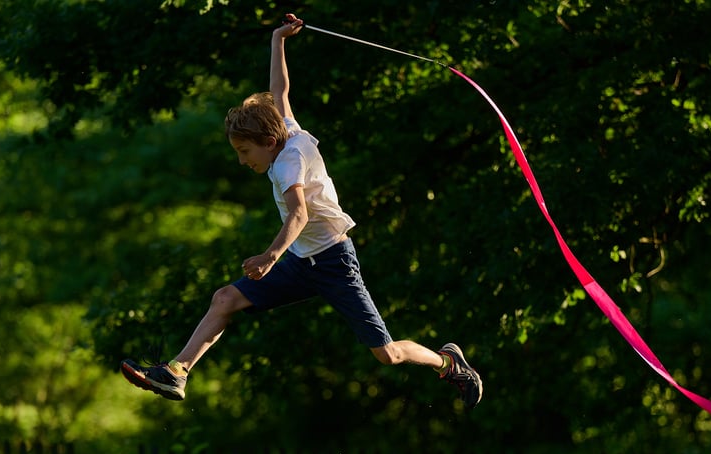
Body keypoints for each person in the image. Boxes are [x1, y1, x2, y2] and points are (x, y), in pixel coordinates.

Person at [120, 14, 482, 408]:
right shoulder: (285, 129)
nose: (242, 162)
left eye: (245, 152)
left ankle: (448, 363)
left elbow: (299, 216)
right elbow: (280, 90)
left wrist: (269, 257)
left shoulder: (289, 161)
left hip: (332, 262)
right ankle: (177, 371)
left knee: (387, 353)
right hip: (301, 259)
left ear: (268, 140)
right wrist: (279, 40)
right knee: (225, 298)